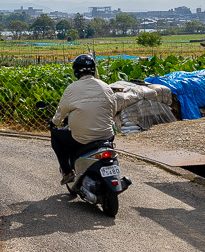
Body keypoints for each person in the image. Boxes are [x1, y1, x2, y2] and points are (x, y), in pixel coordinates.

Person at [50, 53, 143, 185]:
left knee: (56, 135)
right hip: (107, 136)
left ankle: (67, 171)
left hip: (82, 138)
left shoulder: (71, 89)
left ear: (76, 71)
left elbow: (60, 113)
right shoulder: (106, 87)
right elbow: (113, 109)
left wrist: (54, 122)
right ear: (94, 70)